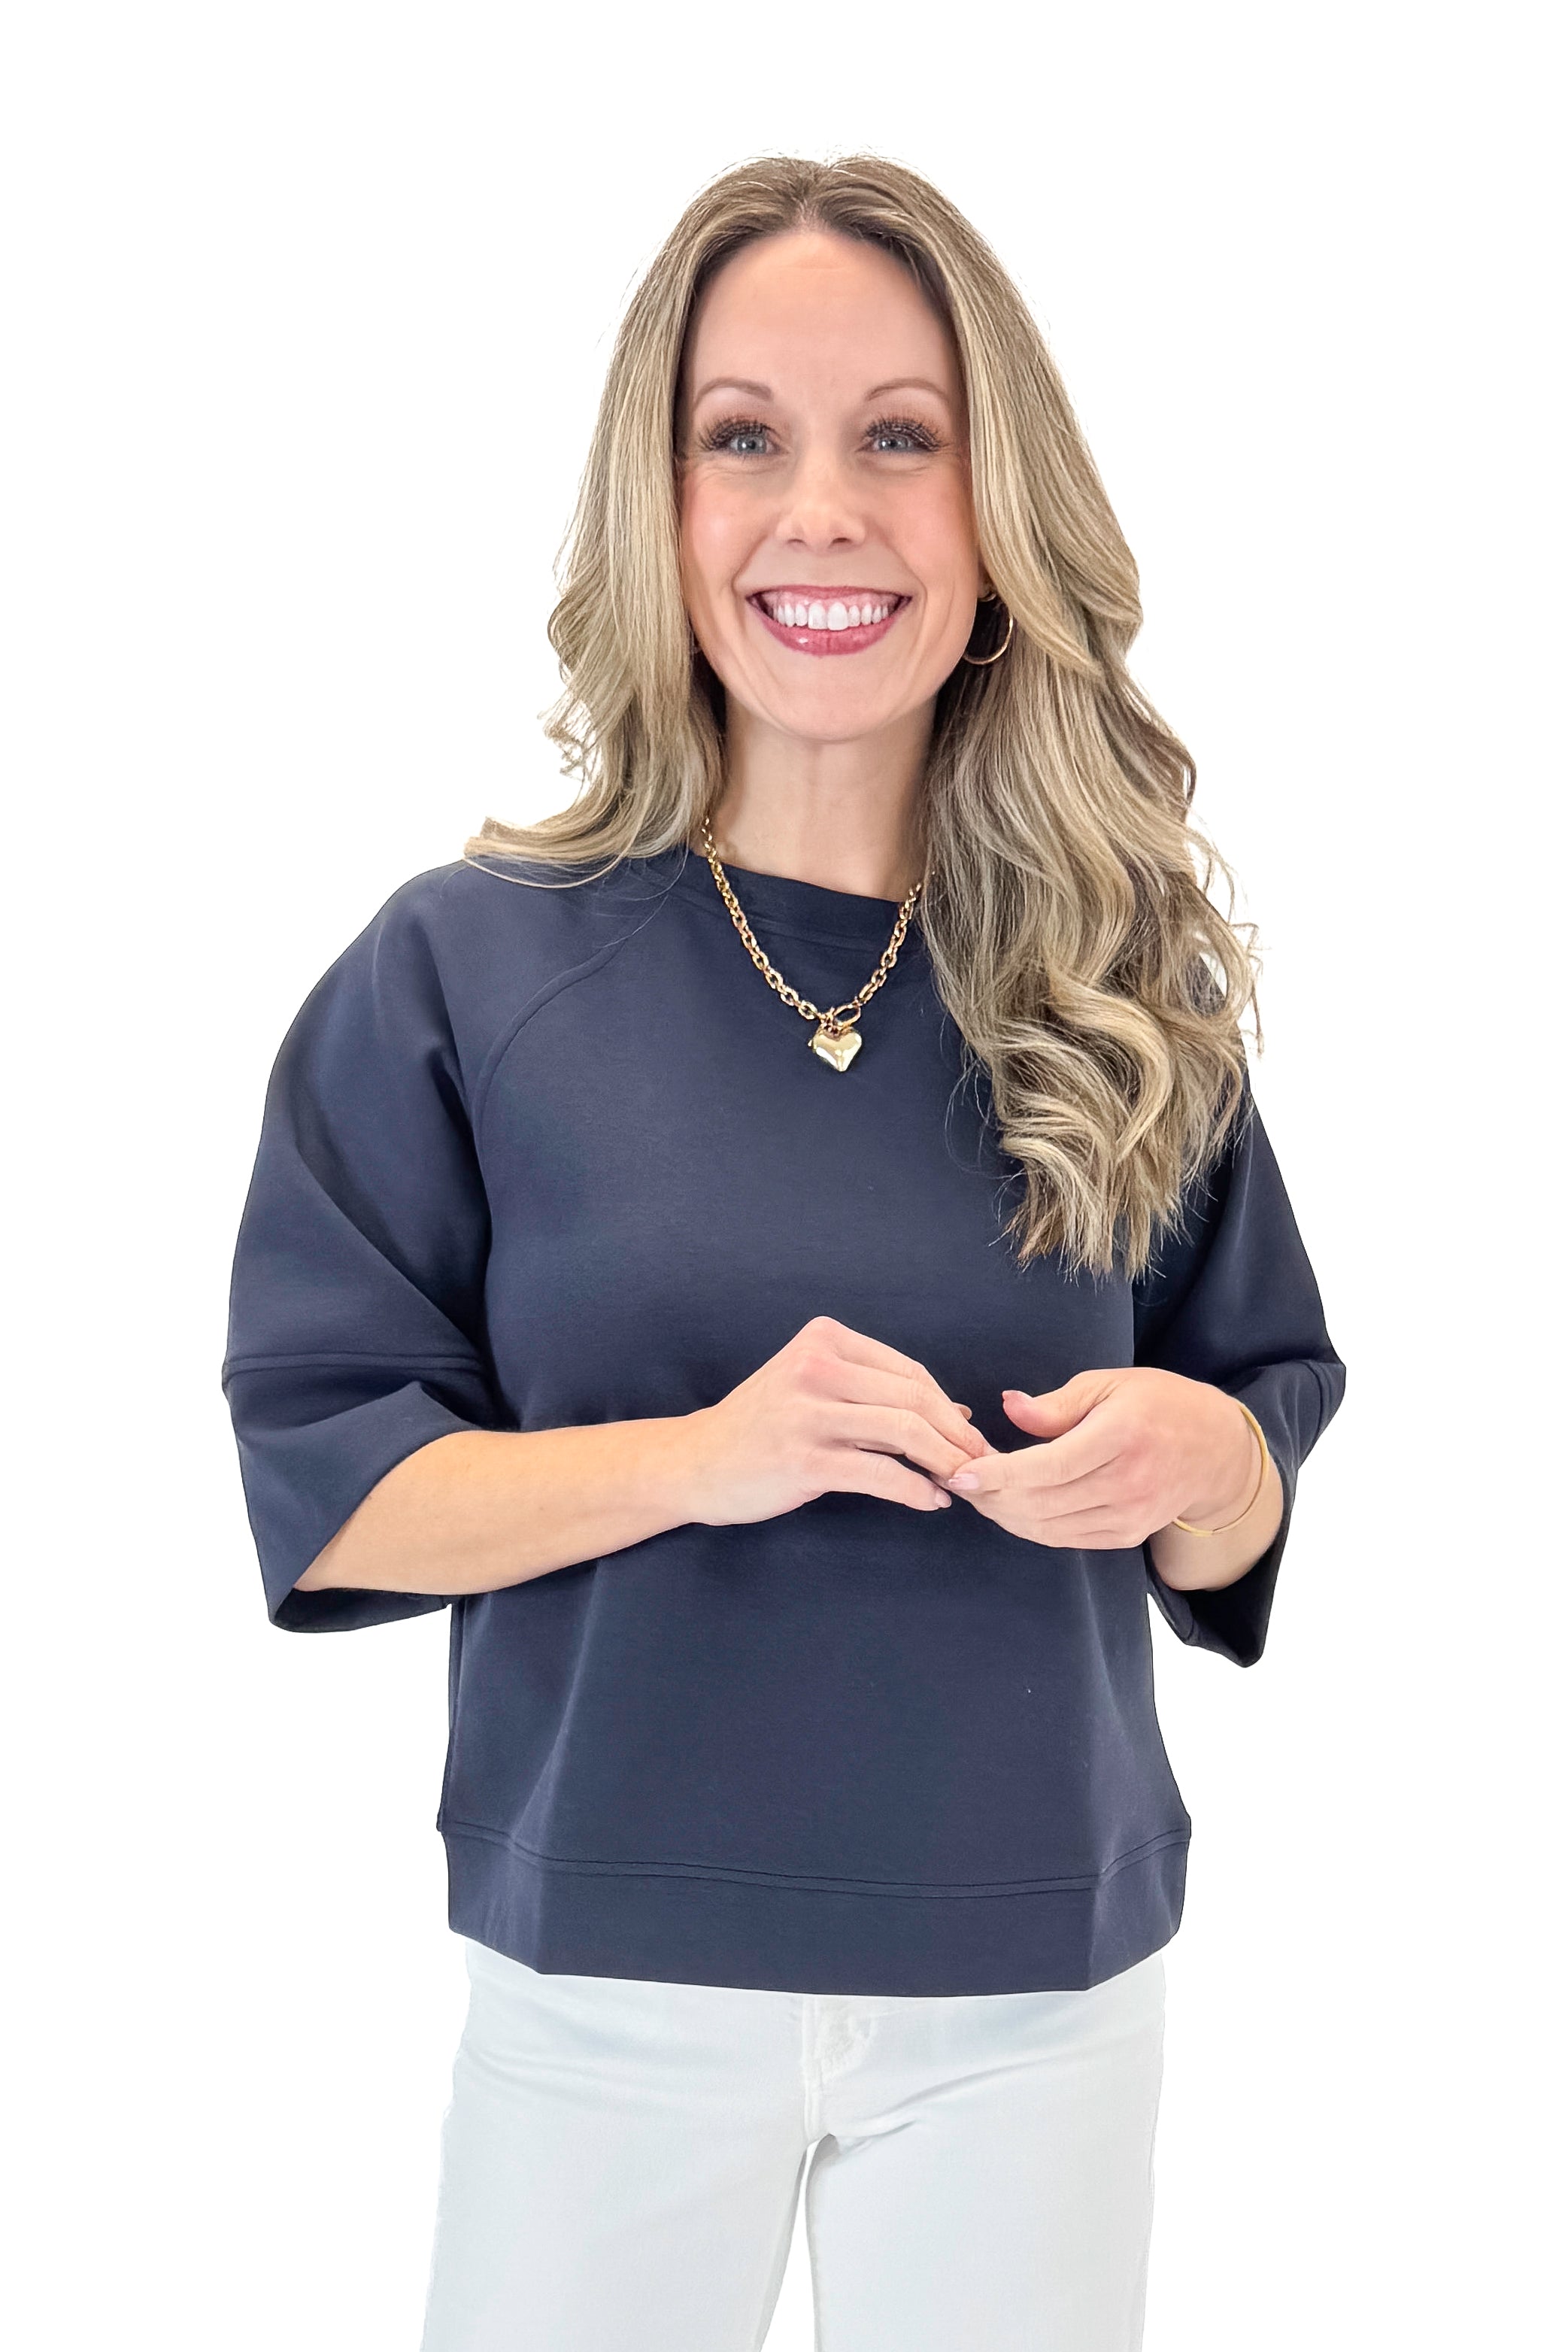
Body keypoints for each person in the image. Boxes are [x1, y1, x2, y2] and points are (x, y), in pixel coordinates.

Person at [223, 152, 1345, 2352]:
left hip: (1039, 1976)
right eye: (745, 436)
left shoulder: (1122, 983)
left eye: (899, 437)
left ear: (997, 512)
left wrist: (1198, 1460)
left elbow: (1258, 1437)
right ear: (661, 509)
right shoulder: (463, 969)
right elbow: (334, 1478)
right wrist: (705, 1452)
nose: (822, 510)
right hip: (609, 1979)